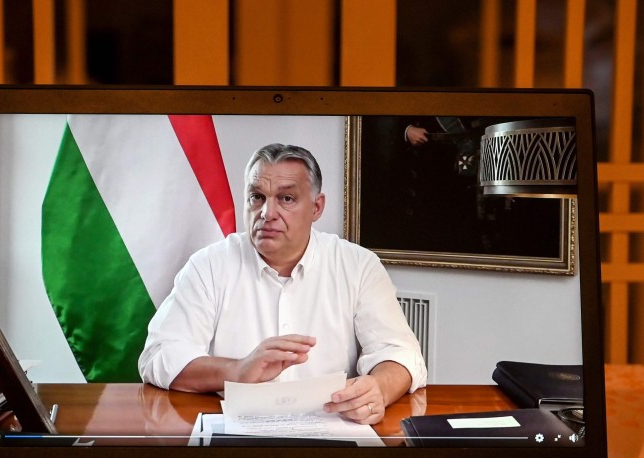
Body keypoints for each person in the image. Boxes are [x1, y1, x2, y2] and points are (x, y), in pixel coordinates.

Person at [138, 143, 427, 425]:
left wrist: (378, 389)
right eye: (256, 197)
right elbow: (159, 356)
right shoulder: (209, 265)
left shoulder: (358, 266)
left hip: (332, 426)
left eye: (286, 198)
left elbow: (401, 354)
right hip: (234, 431)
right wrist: (237, 371)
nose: (267, 213)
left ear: (316, 207)